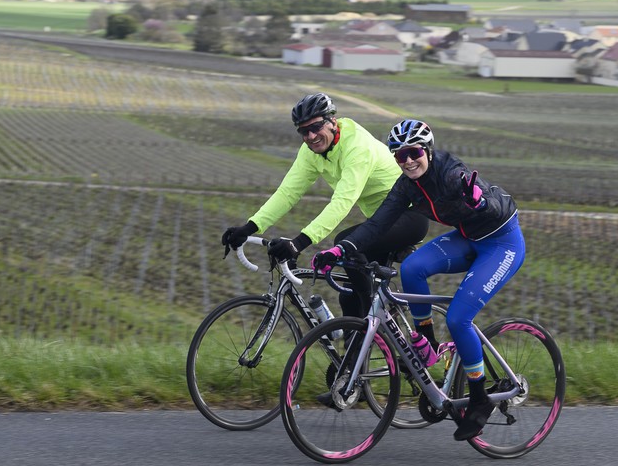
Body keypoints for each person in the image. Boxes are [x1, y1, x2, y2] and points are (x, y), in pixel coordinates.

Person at [312, 118, 524, 441]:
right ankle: (428, 343)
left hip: (502, 242)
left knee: (458, 318)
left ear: (428, 150)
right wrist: (340, 250)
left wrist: (479, 201)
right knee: (411, 268)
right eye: (400, 155)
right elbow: (376, 225)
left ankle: (480, 398)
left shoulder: (451, 174)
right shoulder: (407, 185)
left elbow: (493, 206)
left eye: (414, 153)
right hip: (468, 237)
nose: (408, 161)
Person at [221, 93, 429, 318]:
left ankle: (373, 318)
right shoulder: (311, 152)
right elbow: (288, 193)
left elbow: (342, 202)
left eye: (316, 127)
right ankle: (361, 335)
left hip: (410, 216)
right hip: (378, 222)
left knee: (346, 244)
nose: (311, 136)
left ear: (332, 122)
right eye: (303, 131)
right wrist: (249, 227)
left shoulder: (357, 146)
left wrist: (299, 243)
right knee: (348, 298)